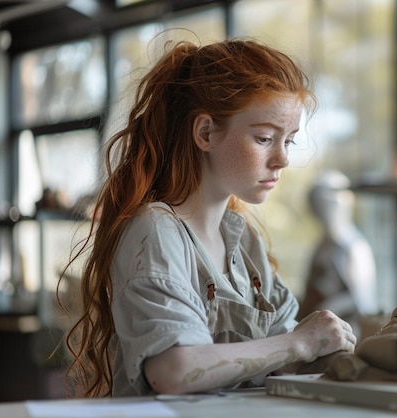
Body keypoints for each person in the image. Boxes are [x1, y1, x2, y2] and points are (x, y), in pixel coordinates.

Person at [60, 38, 357, 398]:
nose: (282, 160)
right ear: (205, 133)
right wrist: (301, 343)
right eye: (265, 138)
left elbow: (289, 353)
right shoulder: (156, 230)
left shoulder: (244, 239)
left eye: (289, 141)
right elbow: (173, 371)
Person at [297, 170, 377, 337]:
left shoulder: (353, 247)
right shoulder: (322, 245)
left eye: (323, 203)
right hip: (313, 331)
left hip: (344, 332)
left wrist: (327, 311)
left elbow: (362, 303)